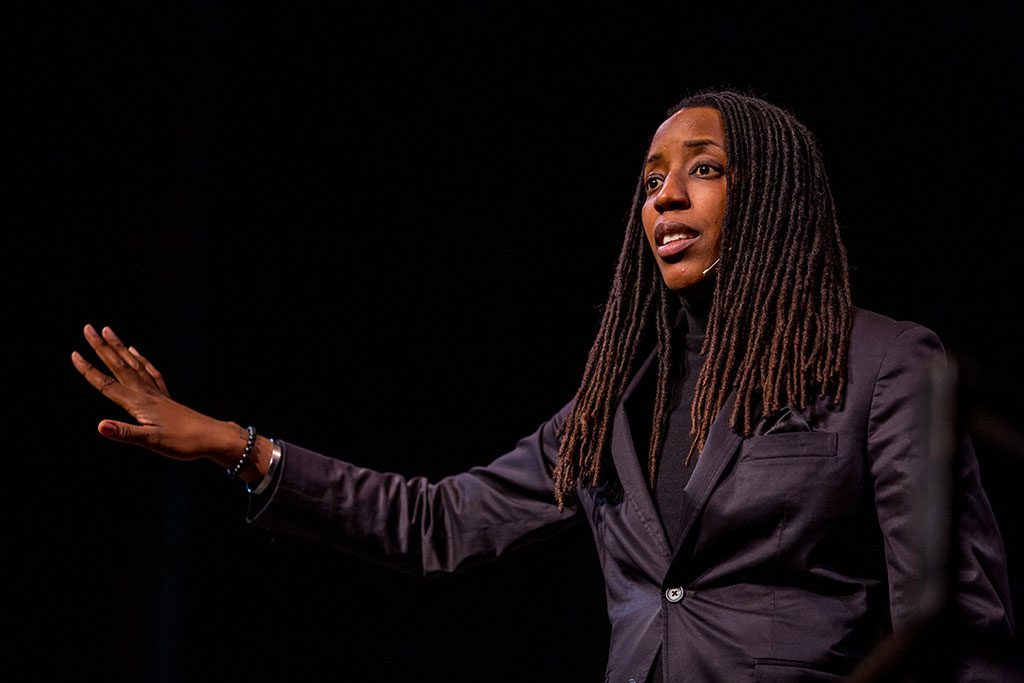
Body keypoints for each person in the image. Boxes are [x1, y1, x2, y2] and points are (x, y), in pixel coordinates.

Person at [73, 91, 1013, 681]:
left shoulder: (882, 364)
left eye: (705, 170)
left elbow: (962, 627)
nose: (665, 196)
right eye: (651, 179)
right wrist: (234, 444)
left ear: (771, 197)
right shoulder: (616, 405)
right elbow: (438, 522)